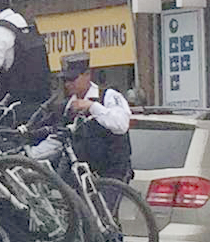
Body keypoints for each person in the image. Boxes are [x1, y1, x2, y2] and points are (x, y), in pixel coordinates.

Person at [30, 53, 133, 181]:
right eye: (65, 80)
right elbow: (58, 139)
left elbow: (121, 125)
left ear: (87, 75)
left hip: (112, 174)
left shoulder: (108, 96)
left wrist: (92, 106)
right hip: (83, 176)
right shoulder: (67, 107)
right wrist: (29, 156)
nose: (68, 84)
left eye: (73, 79)